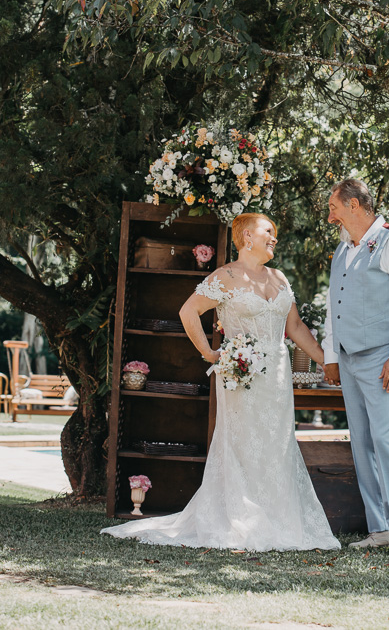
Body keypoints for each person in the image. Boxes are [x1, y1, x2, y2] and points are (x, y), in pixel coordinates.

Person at [102, 213, 340, 552]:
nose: (274, 237)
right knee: (242, 446)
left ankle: (278, 520)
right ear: (247, 237)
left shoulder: (279, 277)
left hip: (277, 377)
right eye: (268, 231)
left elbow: (296, 327)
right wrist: (210, 353)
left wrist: (327, 362)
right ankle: (241, 519)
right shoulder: (224, 276)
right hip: (241, 376)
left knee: (277, 445)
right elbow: (188, 312)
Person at [323, 179, 389, 556]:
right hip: (349, 357)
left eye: (333, 207)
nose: (330, 216)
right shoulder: (342, 249)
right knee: (362, 442)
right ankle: (380, 528)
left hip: (384, 357)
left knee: (386, 441)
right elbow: (333, 303)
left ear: (354, 205)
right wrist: (331, 354)